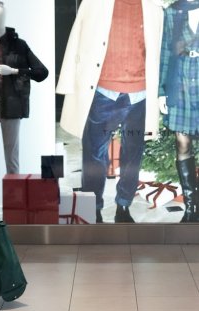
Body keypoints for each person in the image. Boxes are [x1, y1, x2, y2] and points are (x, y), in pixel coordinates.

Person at [56, 0, 163, 223]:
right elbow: (76, 38)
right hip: (103, 94)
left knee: (133, 155)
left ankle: (123, 206)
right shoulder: (95, 3)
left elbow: (160, 50)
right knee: (94, 154)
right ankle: (93, 206)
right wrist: (67, 83)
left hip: (140, 96)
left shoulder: (154, 6)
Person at [0, 0, 49, 217]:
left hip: (11, 108)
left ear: (5, 17)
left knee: (12, 160)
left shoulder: (18, 44)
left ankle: (16, 209)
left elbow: (42, 72)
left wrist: (14, 70)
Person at [158, 0, 199, 222]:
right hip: (180, 82)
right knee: (182, 144)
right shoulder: (173, 11)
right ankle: (192, 209)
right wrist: (161, 91)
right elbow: (166, 51)